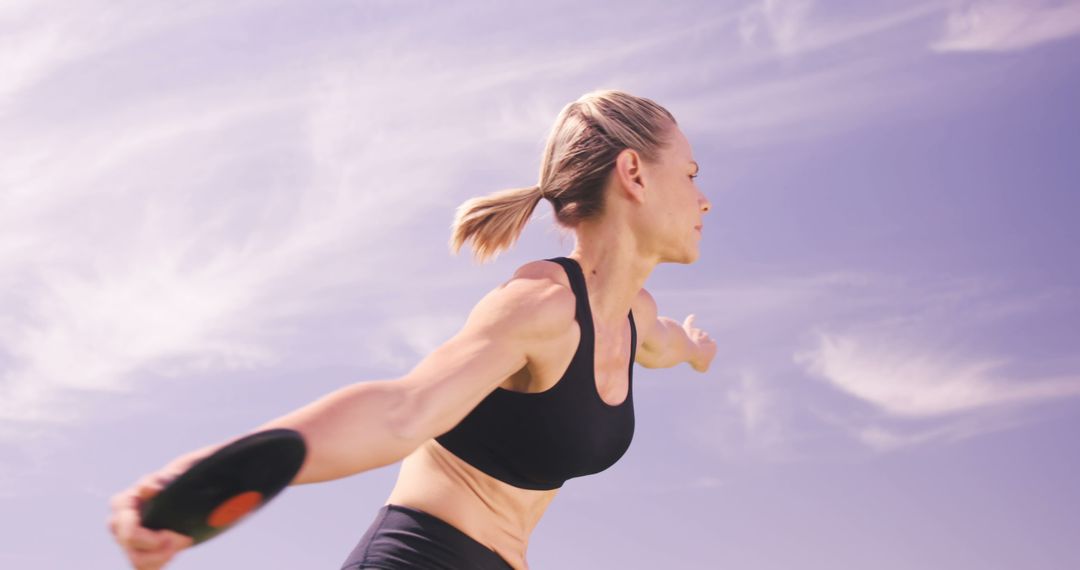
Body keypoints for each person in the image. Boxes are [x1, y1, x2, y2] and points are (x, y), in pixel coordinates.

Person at [107, 89, 717, 570]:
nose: (704, 200)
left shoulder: (634, 318)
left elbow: (667, 343)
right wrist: (213, 469)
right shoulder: (541, 307)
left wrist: (697, 351)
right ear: (633, 172)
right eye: (689, 175)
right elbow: (404, 410)